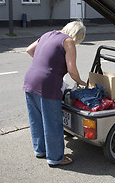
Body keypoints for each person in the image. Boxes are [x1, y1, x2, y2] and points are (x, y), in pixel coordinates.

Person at [23, 20, 87, 166]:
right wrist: (81, 82)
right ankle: (55, 158)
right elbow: (72, 70)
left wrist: (45, 63)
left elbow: (29, 50)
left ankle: (40, 150)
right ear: (77, 35)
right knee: (53, 122)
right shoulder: (68, 41)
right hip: (48, 85)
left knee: (36, 119)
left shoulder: (48, 34)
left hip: (30, 80)